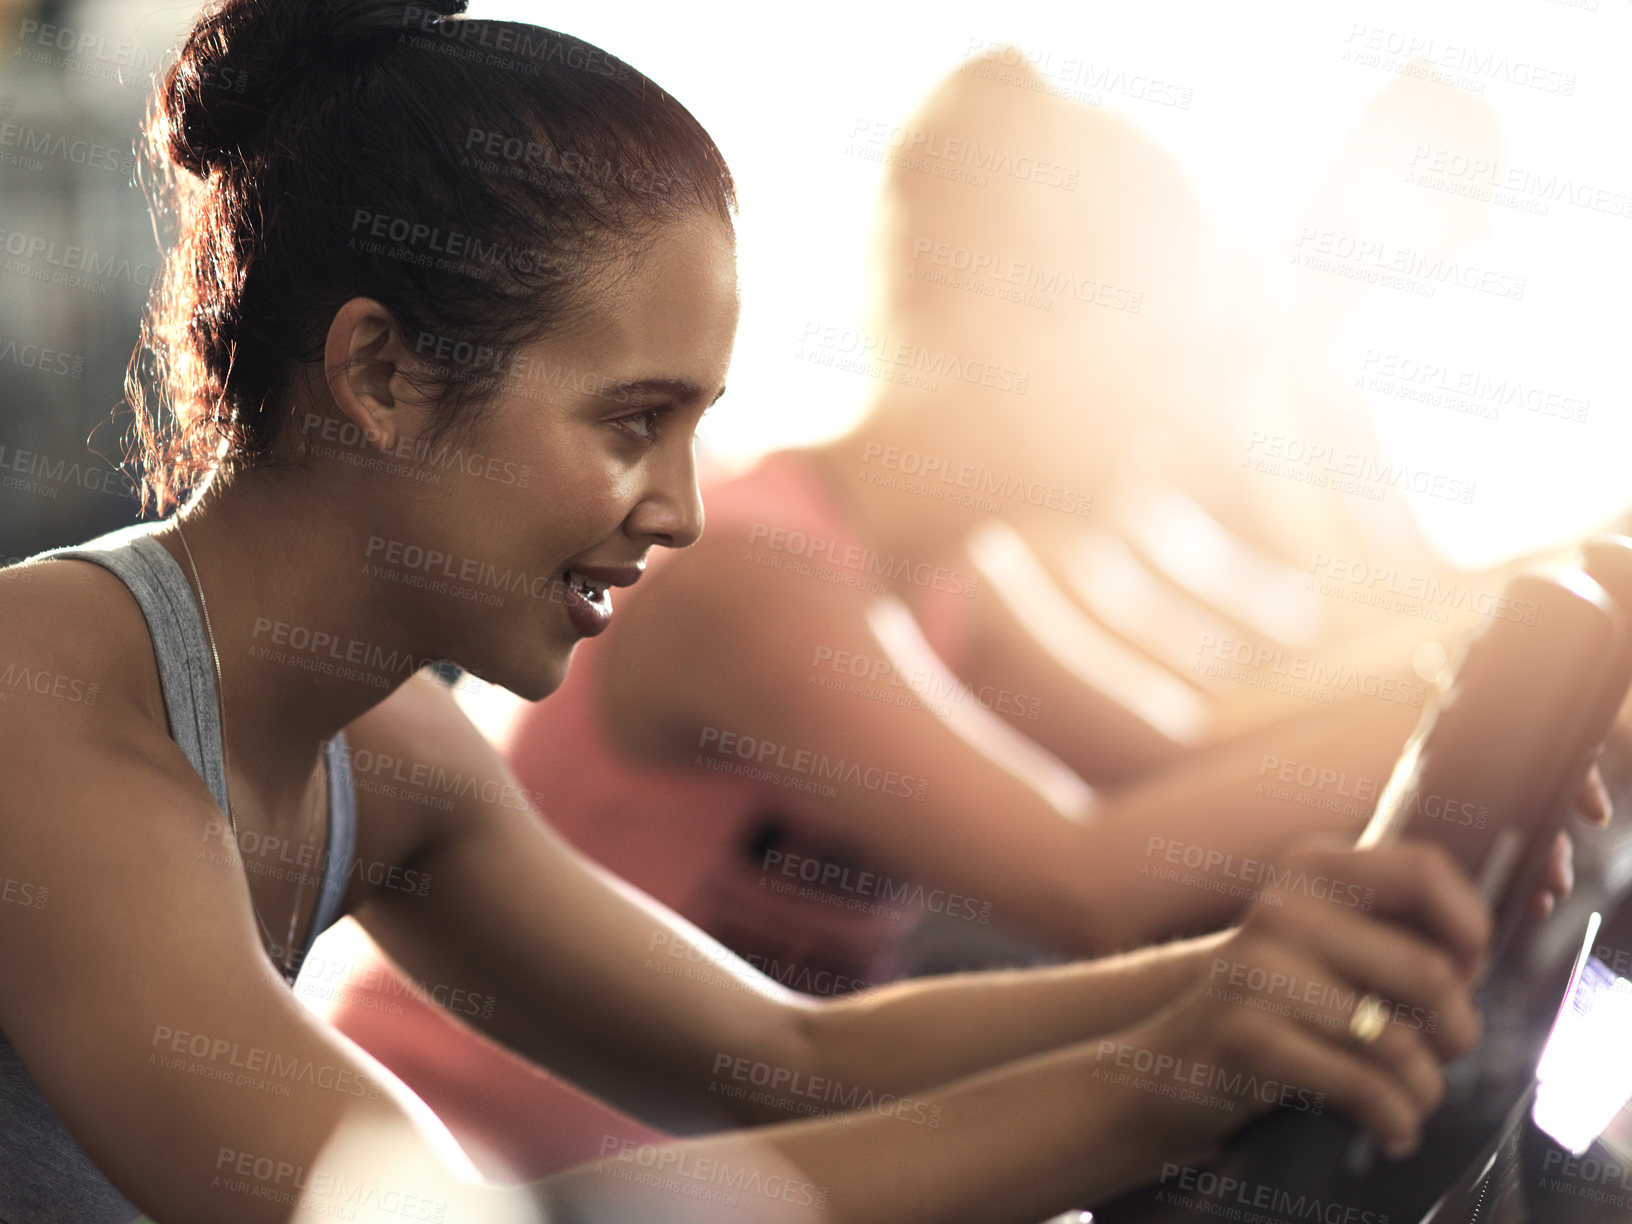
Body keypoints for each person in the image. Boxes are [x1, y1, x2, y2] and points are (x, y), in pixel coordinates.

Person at [0, 4, 1567, 1222]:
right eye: (632, 422)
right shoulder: (46, 721)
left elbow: (795, 1064)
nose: (679, 507)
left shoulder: (384, 742)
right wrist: (1152, 1089)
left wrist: (1242, 979)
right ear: (381, 375)